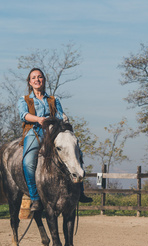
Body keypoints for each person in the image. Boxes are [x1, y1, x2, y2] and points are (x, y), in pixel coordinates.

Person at [17, 68, 93, 212]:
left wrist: (62, 121)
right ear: (29, 82)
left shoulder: (54, 99)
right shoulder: (24, 99)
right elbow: (24, 115)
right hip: (34, 131)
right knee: (28, 162)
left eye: (40, 77)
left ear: (44, 80)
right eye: (33, 78)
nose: (37, 80)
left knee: (76, 151)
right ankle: (35, 199)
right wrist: (39, 119)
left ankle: (80, 190)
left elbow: (59, 114)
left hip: (53, 131)